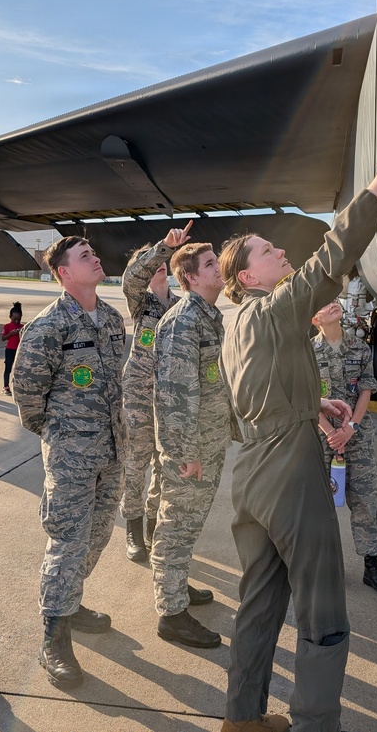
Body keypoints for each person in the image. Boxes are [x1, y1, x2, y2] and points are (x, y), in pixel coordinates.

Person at [217, 98, 377, 732]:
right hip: (289, 469)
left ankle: (243, 719)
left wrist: (313, 401)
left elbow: (249, 394)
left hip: (252, 474)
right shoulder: (277, 307)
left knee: (259, 602)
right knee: (322, 608)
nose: (281, 254)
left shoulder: (237, 323)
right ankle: (316, 722)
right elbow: (340, 244)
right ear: (246, 276)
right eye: (267, 251)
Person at [10, 236, 125, 689]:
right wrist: (60, 435)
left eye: (95, 253)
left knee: (97, 535)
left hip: (113, 450)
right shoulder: (48, 327)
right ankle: (53, 639)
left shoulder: (113, 319)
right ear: (64, 272)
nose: (96, 258)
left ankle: (70, 603)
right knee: (67, 542)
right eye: (84, 257)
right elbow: (26, 393)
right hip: (73, 457)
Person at [152, 241, 239, 649]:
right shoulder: (184, 320)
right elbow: (174, 393)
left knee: (188, 526)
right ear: (190, 278)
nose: (218, 268)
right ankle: (171, 614)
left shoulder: (209, 316)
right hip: (191, 450)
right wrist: (185, 453)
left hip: (207, 441)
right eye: (209, 264)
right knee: (176, 525)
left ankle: (178, 585)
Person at [119, 225, 191, 561]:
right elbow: (131, 278)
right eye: (152, 263)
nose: (160, 266)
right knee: (136, 463)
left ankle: (151, 527)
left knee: (164, 467)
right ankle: (133, 531)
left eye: (164, 261)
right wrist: (163, 248)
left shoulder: (180, 306)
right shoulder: (140, 301)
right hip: (137, 393)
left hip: (168, 399)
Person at [311, 300, 377, 593]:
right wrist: (331, 432)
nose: (333, 303)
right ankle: (324, 565)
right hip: (321, 440)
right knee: (319, 505)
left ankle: (372, 565)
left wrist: (350, 429)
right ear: (315, 318)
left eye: (335, 300)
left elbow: (366, 389)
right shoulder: (308, 351)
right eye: (325, 303)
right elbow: (307, 395)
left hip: (357, 438)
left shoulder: (360, 348)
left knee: (365, 502)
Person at [1, 302, 24, 395]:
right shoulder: (7, 326)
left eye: (18, 319)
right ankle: (6, 386)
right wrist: (11, 333)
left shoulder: (22, 327)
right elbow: (3, 338)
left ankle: (19, 385)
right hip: (10, 350)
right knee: (8, 368)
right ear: (10, 317)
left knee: (20, 369)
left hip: (19, 350)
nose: (16, 321)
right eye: (14, 319)